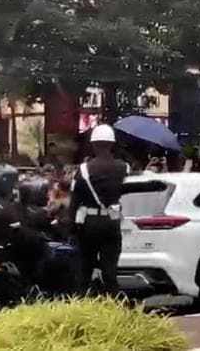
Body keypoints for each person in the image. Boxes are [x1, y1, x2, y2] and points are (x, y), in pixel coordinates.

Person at [70, 124, 127, 296]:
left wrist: (72, 229)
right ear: (112, 144)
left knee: (84, 271)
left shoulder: (84, 169)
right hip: (112, 223)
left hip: (89, 224)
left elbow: (75, 201)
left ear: (93, 144)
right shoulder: (123, 168)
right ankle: (117, 310)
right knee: (110, 273)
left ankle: (83, 308)